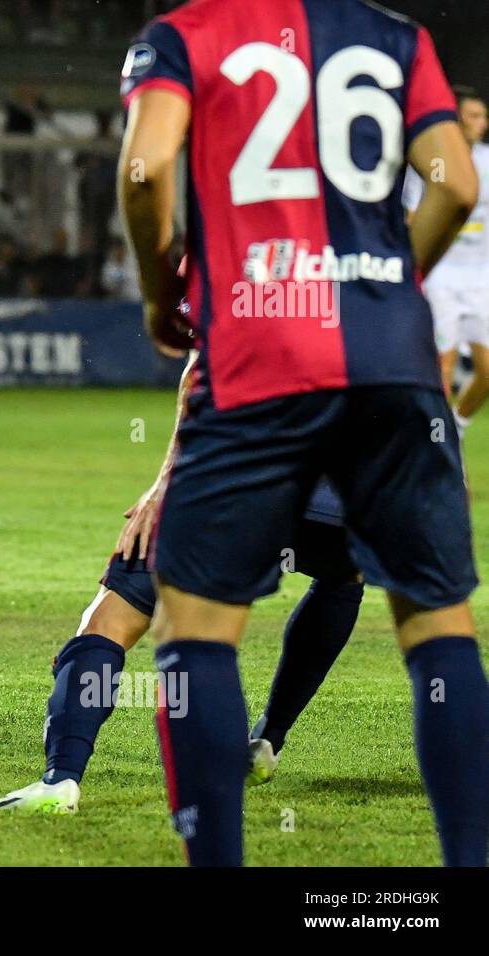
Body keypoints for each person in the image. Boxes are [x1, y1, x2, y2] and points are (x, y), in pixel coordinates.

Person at [120, 0, 486, 866]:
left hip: (258, 351)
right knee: (439, 630)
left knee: (199, 633)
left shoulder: (183, 35)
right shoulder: (400, 38)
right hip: (394, 362)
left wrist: (153, 290)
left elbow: (144, 171)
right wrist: (390, 284)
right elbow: (458, 184)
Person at [0, 353, 362, 814]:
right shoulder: (382, 286)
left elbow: (200, 368)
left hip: (230, 469)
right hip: (341, 473)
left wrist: (167, 480)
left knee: (114, 618)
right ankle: (268, 738)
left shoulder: (237, 281)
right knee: (343, 574)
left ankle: (61, 777)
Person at [402, 87, 489, 433]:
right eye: (474, 116)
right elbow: (411, 218)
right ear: (454, 120)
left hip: (480, 279)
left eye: (484, 118)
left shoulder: (486, 160)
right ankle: (441, 449)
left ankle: (456, 426)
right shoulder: (429, 162)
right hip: (440, 276)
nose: (481, 124)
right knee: (443, 368)